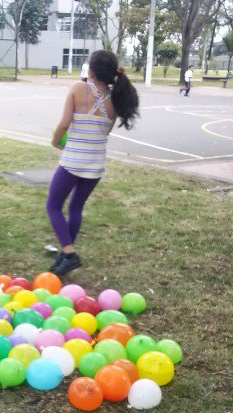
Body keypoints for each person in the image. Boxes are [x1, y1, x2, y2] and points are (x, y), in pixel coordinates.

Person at [48, 50, 139, 275]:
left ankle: (69, 253)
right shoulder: (115, 99)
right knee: (75, 207)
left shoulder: (78, 88)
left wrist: (55, 141)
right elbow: (104, 132)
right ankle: (65, 254)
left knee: (53, 205)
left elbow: (64, 124)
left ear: (91, 70)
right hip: (96, 164)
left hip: (73, 161)